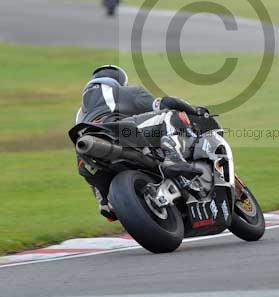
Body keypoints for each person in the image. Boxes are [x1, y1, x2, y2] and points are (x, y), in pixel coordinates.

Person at [74, 65, 207, 221]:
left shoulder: (80, 113)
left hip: (88, 155)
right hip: (120, 132)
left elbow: (82, 163)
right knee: (169, 115)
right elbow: (164, 103)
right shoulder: (123, 92)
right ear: (118, 81)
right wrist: (195, 110)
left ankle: (104, 202)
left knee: (86, 165)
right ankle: (173, 158)